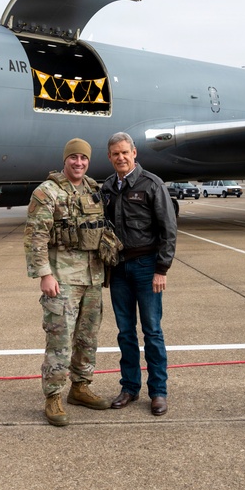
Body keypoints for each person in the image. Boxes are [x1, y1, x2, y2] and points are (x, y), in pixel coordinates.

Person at [24, 138, 111, 426]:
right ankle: (53, 397)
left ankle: (81, 387)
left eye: (83, 158)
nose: (79, 163)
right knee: (60, 341)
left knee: (88, 338)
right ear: (65, 160)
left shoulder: (94, 189)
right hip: (61, 278)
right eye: (73, 157)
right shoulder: (47, 192)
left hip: (93, 276)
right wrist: (44, 275)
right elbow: (35, 236)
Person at [101, 131, 177, 416]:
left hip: (147, 268)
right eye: (115, 154)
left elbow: (168, 230)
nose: (120, 157)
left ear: (134, 153)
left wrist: (162, 269)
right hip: (118, 269)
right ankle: (129, 387)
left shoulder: (152, 184)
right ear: (109, 157)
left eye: (125, 152)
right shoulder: (107, 188)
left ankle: (158, 392)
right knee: (124, 332)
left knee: (152, 331)